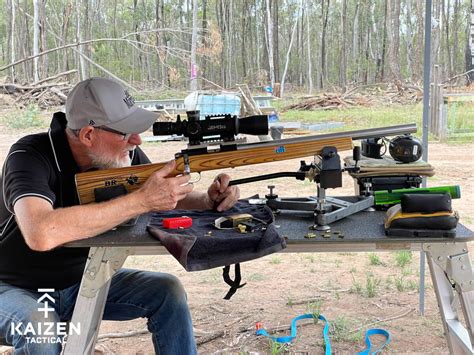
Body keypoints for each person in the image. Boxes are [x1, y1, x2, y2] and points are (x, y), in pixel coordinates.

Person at [0, 77, 240, 354]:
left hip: (78, 281)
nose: (137, 140)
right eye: (126, 133)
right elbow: (40, 233)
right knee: (40, 327)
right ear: (88, 135)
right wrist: (139, 201)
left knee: (167, 291)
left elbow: (165, 195)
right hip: (11, 286)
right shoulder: (30, 154)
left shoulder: (118, 154)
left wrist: (208, 200)